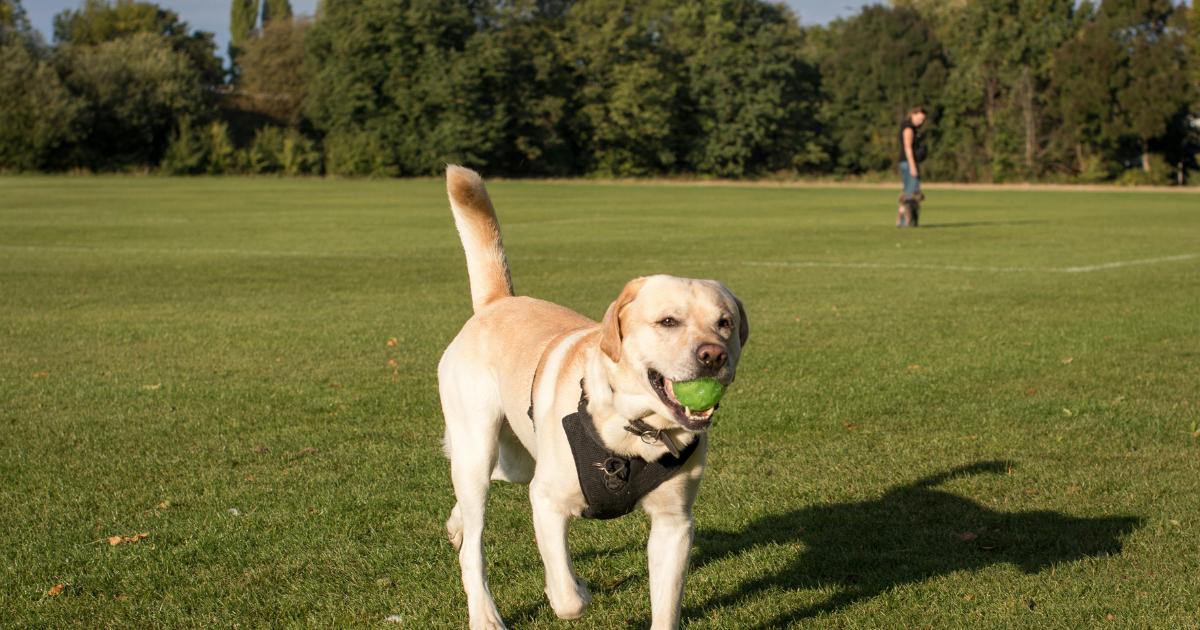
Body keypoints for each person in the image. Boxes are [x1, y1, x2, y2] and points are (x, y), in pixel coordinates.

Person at [897, 107, 927, 227]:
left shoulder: (910, 127)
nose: (921, 121)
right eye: (919, 118)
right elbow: (908, 148)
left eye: (922, 120)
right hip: (909, 162)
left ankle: (905, 221)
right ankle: (908, 221)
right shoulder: (908, 128)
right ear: (913, 114)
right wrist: (913, 166)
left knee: (907, 191)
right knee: (912, 193)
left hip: (906, 162)